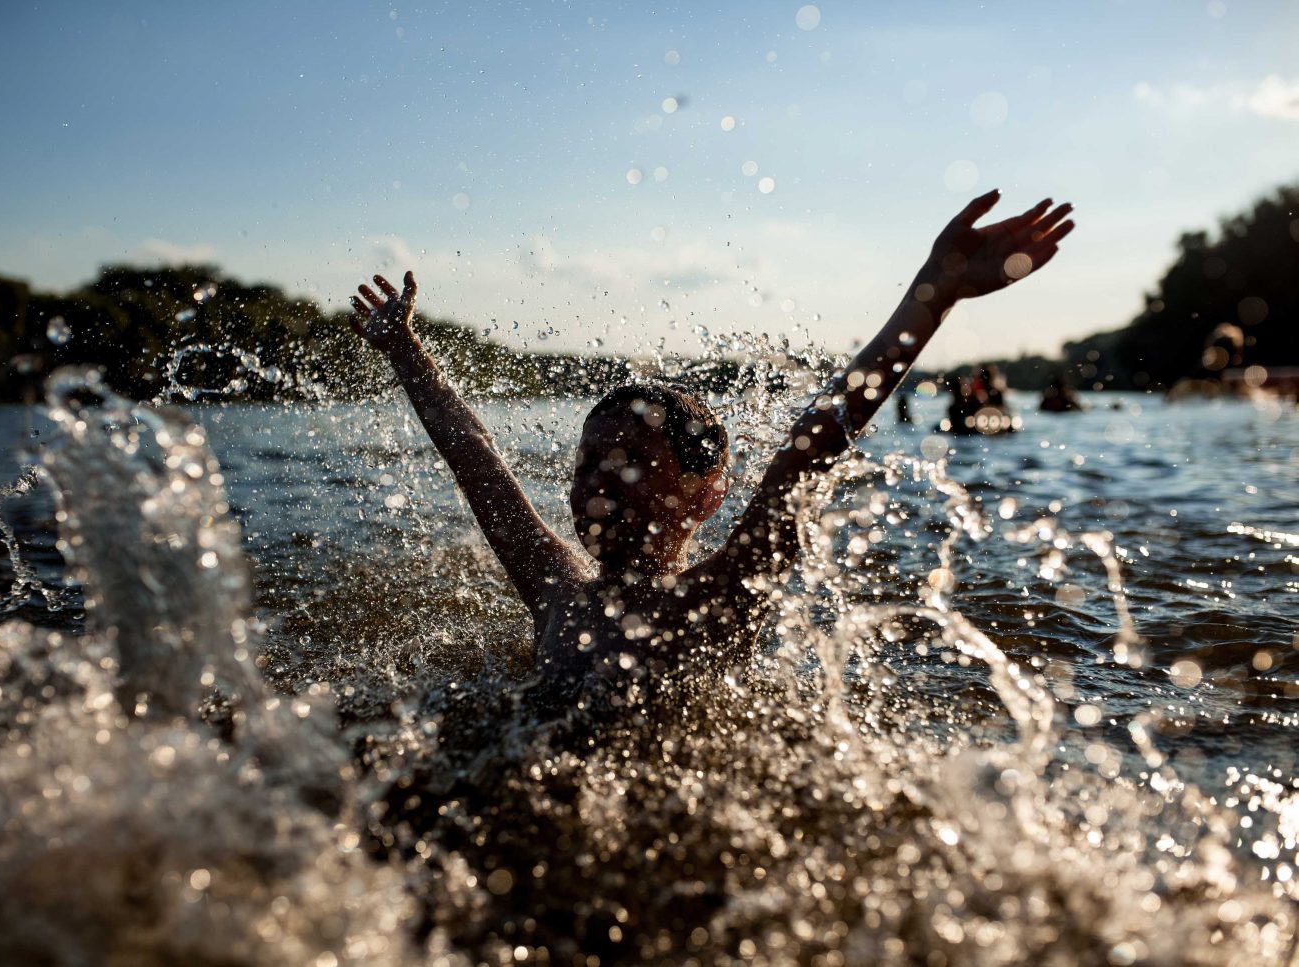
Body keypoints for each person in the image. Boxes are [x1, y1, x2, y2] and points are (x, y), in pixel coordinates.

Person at [347, 191, 1073, 693]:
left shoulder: (719, 599)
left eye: (631, 462)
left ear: (706, 495)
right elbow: (475, 458)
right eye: (588, 462)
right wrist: (405, 350)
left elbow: (811, 446)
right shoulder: (554, 588)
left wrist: (935, 290)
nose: (595, 481)